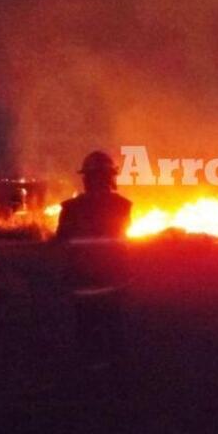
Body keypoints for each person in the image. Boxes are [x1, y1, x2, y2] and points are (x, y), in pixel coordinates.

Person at [56, 151, 132, 367]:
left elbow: (61, 239)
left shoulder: (69, 208)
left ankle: (89, 377)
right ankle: (117, 379)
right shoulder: (123, 205)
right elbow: (123, 236)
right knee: (114, 329)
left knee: (87, 331)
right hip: (113, 281)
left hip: (82, 282)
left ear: (85, 178)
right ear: (111, 177)